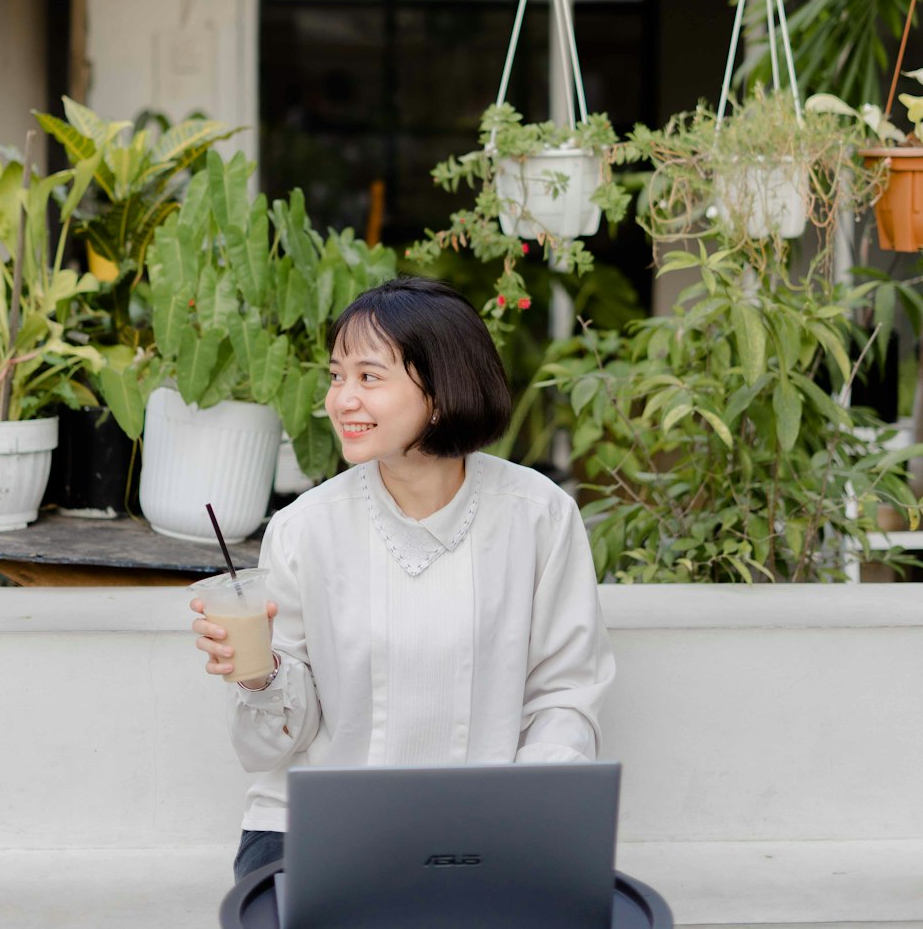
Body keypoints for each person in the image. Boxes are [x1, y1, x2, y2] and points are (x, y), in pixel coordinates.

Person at [190, 275, 615, 883]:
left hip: (487, 829)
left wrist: (522, 822)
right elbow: (270, 748)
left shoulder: (539, 515)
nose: (342, 400)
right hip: (314, 827)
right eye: (337, 376)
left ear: (442, 391)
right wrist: (260, 677)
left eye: (369, 376)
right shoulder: (303, 528)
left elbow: (565, 698)